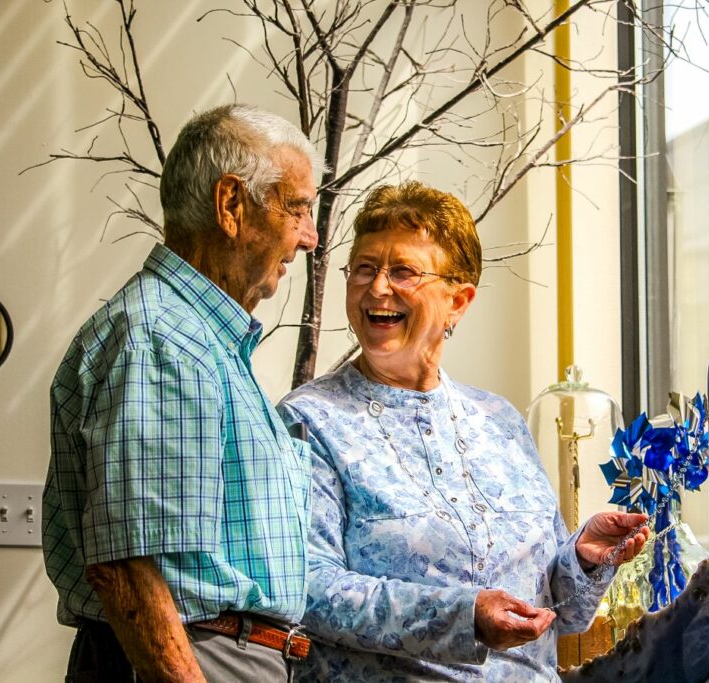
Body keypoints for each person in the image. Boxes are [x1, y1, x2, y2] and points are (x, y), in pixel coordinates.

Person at [278, 181, 650, 681]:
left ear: (458, 302)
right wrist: (463, 617)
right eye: (364, 268)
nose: (377, 287)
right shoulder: (309, 420)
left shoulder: (500, 420)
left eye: (403, 271)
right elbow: (308, 588)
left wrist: (582, 559)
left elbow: (559, 615)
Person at [43, 103, 319, 682]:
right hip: (198, 659)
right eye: (297, 208)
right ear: (231, 205)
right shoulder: (164, 341)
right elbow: (125, 570)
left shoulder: (196, 340)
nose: (309, 237)